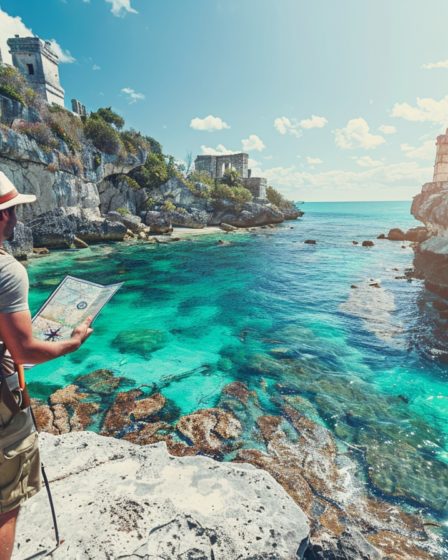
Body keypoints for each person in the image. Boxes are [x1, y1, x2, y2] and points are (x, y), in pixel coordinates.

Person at [0, 172, 93, 560]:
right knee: (6, 500)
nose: (18, 217)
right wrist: (70, 343)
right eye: (14, 209)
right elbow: (24, 351)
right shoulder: (7, 271)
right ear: (3, 216)